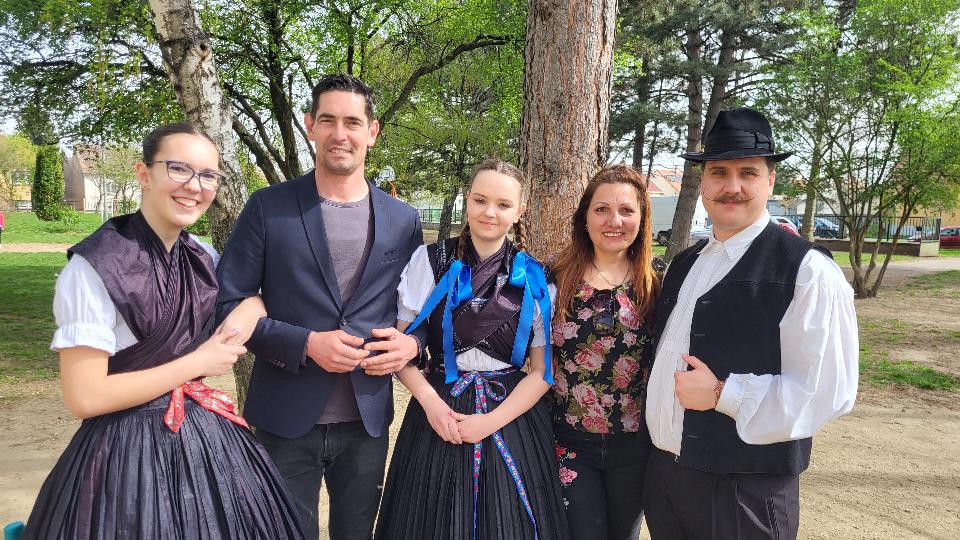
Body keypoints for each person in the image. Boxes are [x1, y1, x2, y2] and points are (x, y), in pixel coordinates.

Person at [24, 123, 304, 539]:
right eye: (179, 169)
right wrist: (198, 362)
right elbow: (85, 397)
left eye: (208, 175)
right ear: (144, 173)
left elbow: (249, 301)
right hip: (123, 455)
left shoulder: (202, 256)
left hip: (207, 442)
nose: (194, 186)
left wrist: (246, 313)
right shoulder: (94, 267)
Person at [215, 74, 424, 540]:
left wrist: (411, 344)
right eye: (328, 120)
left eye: (353, 122)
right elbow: (227, 305)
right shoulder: (267, 207)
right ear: (310, 126)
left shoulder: (403, 219)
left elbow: (421, 311)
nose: (339, 133)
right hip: (283, 418)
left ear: (372, 132)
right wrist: (306, 343)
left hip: (367, 423)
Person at [643, 108, 859, 539]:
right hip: (666, 480)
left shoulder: (808, 271)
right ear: (703, 183)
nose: (732, 187)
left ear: (770, 181)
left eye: (748, 173)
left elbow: (826, 392)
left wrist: (722, 394)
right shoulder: (685, 263)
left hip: (746, 493)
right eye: (719, 172)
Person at [374, 159, 569, 540]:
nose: (489, 213)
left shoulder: (535, 276)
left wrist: (490, 421)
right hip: (439, 410)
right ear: (468, 200)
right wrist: (432, 405)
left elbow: (542, 373)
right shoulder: (430, 262)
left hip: (510, 418)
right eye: (480, 200)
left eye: (503, 204)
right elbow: (401, 353)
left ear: (519, 211)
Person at [548, 165, 664, 540]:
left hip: (635, 449)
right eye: (602, 209)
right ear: (585, 217)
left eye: (626, 210)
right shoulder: (553, 276)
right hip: (568, 442)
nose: (614, 221)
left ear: (642, 220)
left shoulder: (658, 282)